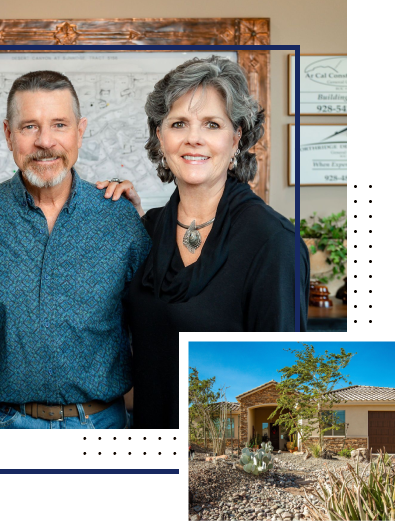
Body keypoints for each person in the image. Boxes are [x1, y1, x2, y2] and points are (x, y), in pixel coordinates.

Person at [100, 56, 310, 429]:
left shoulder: (274, 244)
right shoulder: (146, 231)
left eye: (212, 124)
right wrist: (118, 227)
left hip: (222, 466)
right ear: (160, 136)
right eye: (179, 123)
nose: (193, 137)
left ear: (236, 138)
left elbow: (282, 386)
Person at [0, 71, 151, 431]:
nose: (45, 141)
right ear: (8, 134)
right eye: (29, 126)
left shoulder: (119, 217)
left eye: (59, 124)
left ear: (79, 131)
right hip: (2, 428)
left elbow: (151, 328)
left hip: (100, 429)